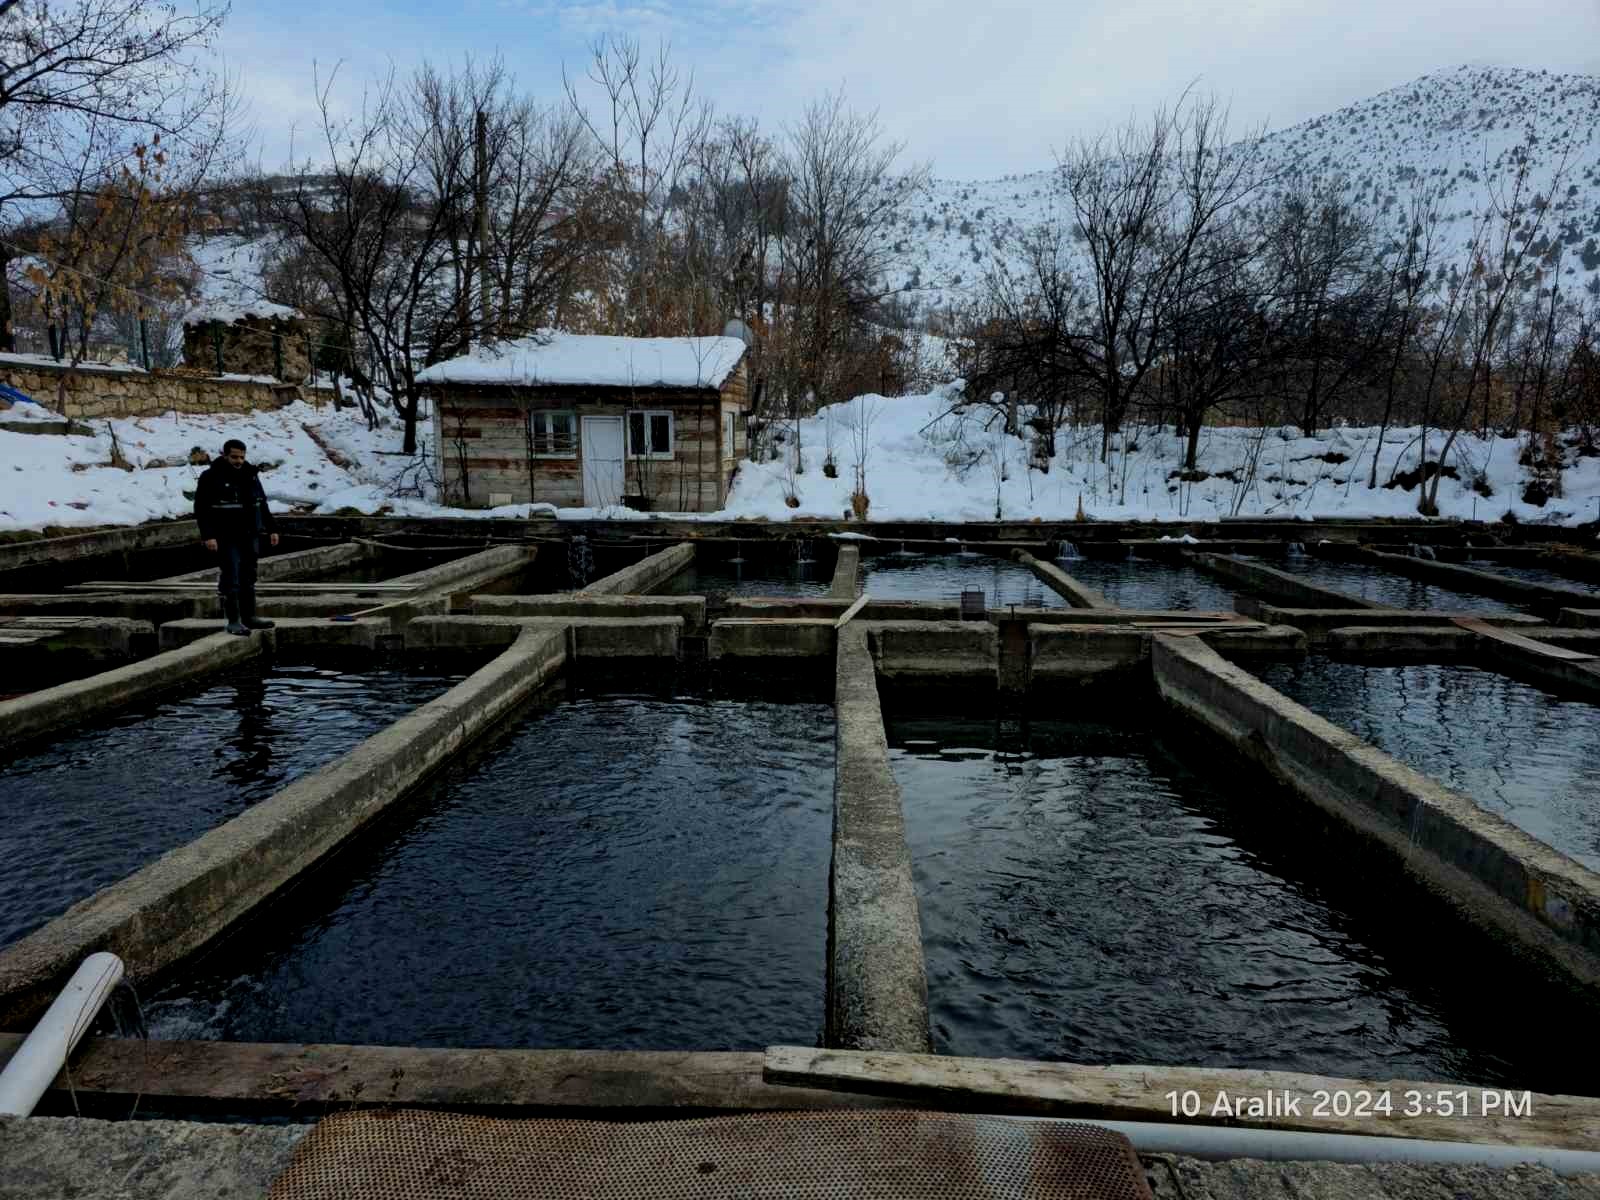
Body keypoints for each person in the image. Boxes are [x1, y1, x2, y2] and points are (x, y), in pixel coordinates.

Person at [194, 438, 279, 635]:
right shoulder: (211, 476)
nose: (239, 461)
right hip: (226, 535)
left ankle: (249, 617)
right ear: (225, 455)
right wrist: (208, 535)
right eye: (234, 457)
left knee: (249, 576)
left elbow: (261, 503)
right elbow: (201, 508)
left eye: (242, 457)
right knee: (231, 576)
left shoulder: (251, 475)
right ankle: (233, 620)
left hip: (250, 534)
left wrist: (272, 529)